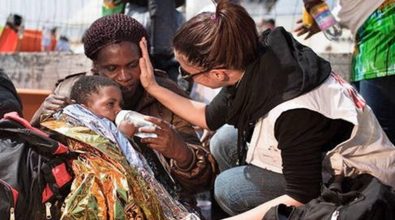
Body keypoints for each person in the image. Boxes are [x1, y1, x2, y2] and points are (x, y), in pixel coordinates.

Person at [137, 0, 395, 218]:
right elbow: (206, 118)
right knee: (224, 139)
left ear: (218, 74)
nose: (184, 77)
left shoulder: (294, 109)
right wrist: (153, 87)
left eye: (186, 73)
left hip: (361, 182)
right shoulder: (252, 58)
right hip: (318, 157)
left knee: (229, 188)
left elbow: (302, 195)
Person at [31, 14, 217, 210]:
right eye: (112, 68)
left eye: (132, 65)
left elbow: (204, 180)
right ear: (95, 68)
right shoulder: (71, 93)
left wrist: (182, 154)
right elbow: (34, 163)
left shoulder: (165, 95)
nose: (125, 76)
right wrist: (40, 119)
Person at [295, 0, 395, 144]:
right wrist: (326, 17)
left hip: (384, 35)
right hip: (366, 49)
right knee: (374, 134)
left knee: (381, 137)